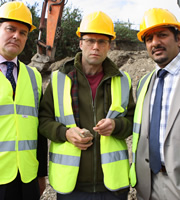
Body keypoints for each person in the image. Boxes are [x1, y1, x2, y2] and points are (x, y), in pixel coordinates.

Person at [39, 11, 135, 200]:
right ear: (80, 43)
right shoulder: (59, 79)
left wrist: (116, 126)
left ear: (110, 45)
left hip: (113, 187)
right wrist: (65, 133)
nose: (95, 47)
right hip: (71, 187)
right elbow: (43, 120)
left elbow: (133, 121)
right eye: (90, 40)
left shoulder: (123, 81)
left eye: (102, 42)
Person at [130, 8, 180, 200]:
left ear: (178, 39)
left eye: (162, 35)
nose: (155, 42)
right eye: (149, 39)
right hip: (148, 184)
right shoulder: (144, 82)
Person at [0, 2, 47, 200]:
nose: (16, 36)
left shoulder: (34, 76)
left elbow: (40, 128)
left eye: (23, 33)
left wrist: (41, 173)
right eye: (10, 29)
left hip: (27, 177)